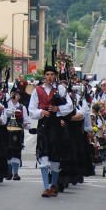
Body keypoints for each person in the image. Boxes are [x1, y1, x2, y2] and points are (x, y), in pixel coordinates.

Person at [29, 66, 71, 198]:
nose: (49, 77)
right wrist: (41, 112)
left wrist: (58, 108)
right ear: (44, 76)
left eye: (52, 74)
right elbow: (31, 109)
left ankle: (54, 185)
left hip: (56, 126)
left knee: (55, 157)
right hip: (43, 125)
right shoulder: (38, 90)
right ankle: (46, 187)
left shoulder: (60, 89)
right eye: (47, 74)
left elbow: (70, 106)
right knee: (43, 155)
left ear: (55, 76)